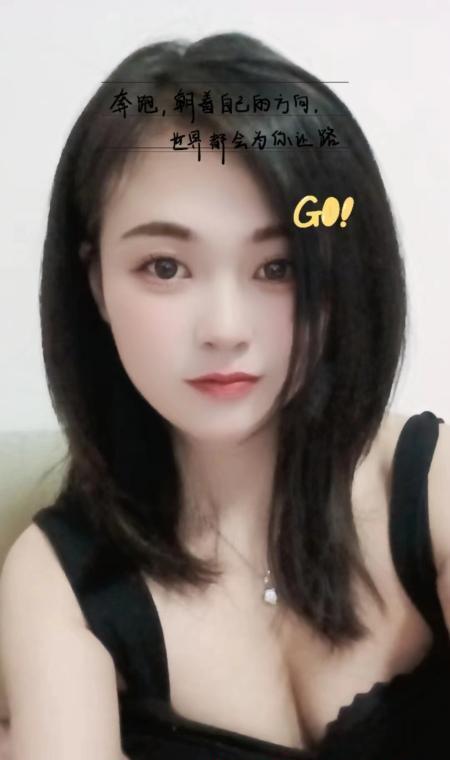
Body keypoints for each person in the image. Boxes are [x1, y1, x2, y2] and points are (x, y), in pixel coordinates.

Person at [1, 31, 449, 760]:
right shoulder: (59, 585)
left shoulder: (431, 487)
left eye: (278, 267)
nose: (225, 330)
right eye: (165, 267)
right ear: (96, 284)